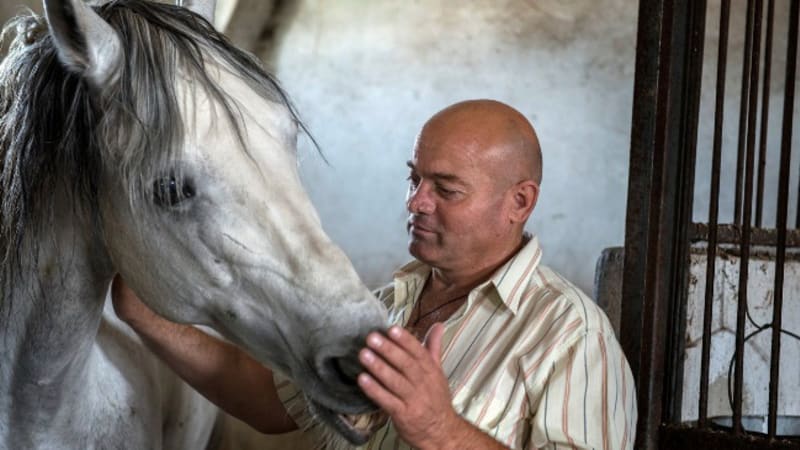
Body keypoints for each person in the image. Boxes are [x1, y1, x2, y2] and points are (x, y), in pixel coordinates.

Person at [112, 99, 637, 449]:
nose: (416, 202)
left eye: (446, 189)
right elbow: (271, 400)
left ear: (518, 202)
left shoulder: (571, 335)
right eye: (414, 179)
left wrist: (441, 430)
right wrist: (148, 317)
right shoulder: (386, 305)